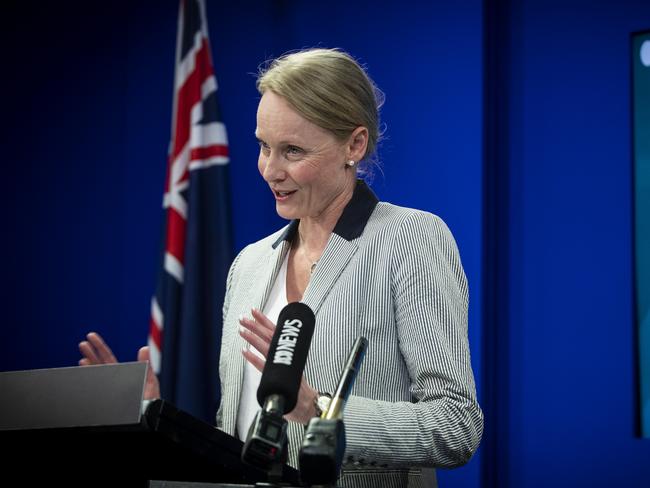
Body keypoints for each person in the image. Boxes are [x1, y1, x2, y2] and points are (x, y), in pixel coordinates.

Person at [80, 48, 483, 487]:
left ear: (354, 144)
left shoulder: (408, 239)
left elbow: (455, 425)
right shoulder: (249, 265)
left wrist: (322, 413)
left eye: (292, 150)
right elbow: (235, 441)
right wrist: (156, 423)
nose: (270, 170)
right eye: (263, 146)